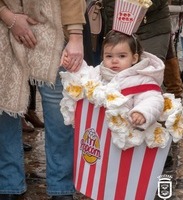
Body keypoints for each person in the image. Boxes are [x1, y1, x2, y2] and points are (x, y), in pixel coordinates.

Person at [0, 1, 86, 200]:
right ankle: (8, 183)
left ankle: (62, 187)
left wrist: (75, 36)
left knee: (60, 114)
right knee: (4, 108)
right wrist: (8, 16)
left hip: (52, 29)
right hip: (3, 29)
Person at [62, 30, 165, 130]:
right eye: (109, 56)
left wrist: (142, 112)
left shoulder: (142, 79)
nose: (114, 60)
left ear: (134, 58)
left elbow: (153, 99)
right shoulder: (99, 73)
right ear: (102, 57)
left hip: (125, 133)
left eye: (122, 56)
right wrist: (74, 65)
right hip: (96, 131)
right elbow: (84, 76)